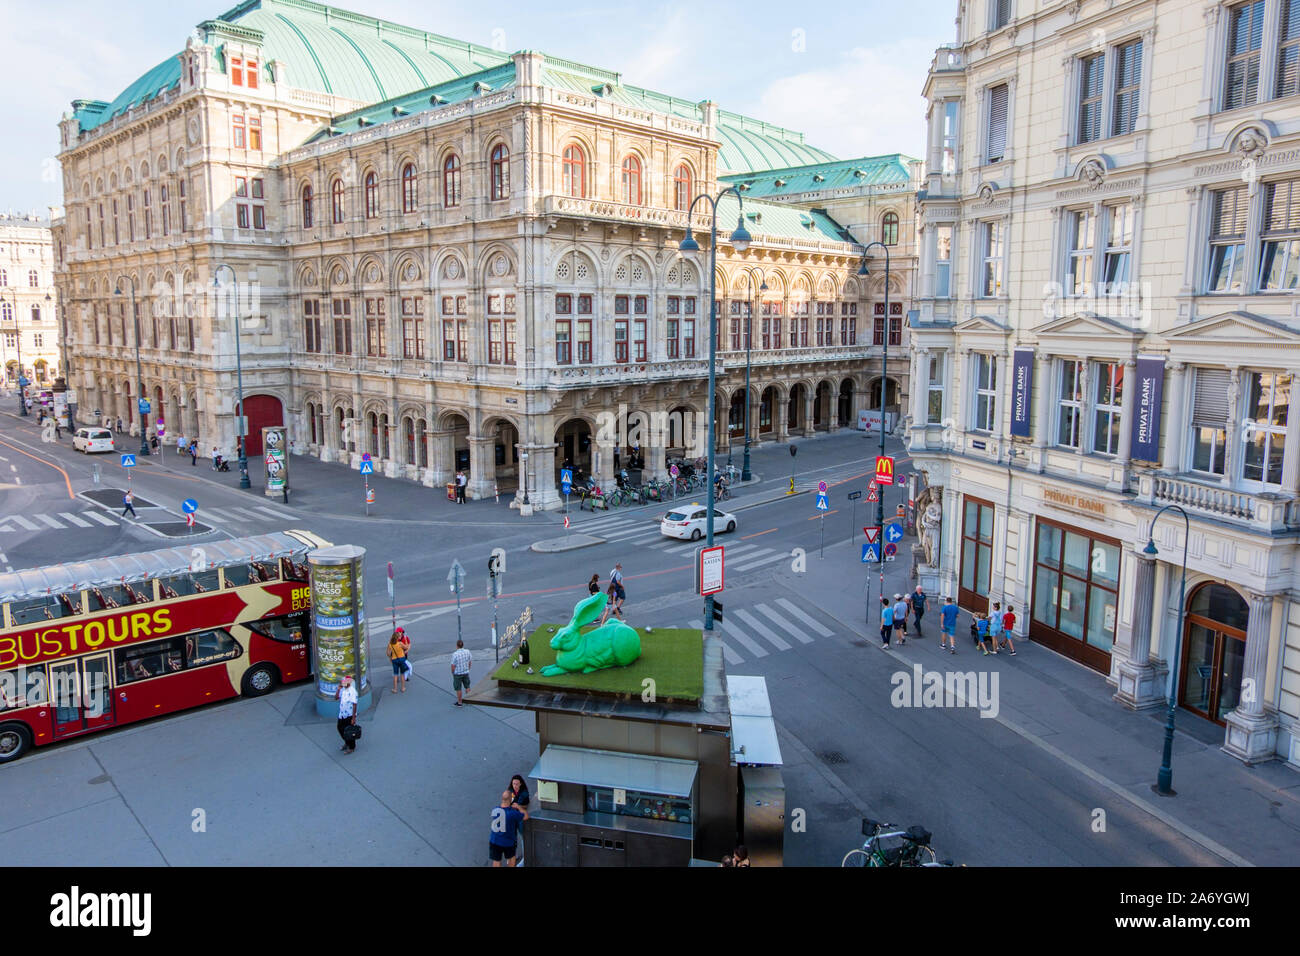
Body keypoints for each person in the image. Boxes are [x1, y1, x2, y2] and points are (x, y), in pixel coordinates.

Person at [489, 789, 528, 867]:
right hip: (508, 842)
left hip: (494, 840)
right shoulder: (513, 813)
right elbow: (526, 816)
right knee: (511, 859)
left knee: (496, 861)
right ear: (510, 800)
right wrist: (518, 807)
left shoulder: (495, 810)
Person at [336, 675, 358, 754]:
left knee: (349, 731)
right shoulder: (342, 689)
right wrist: (338, 690)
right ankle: (346, 742)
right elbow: (336, 698)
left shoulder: (352, 691)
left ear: (349, 683)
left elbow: (355, 704)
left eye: (345, 682)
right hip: (341, 714)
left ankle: (352, 747)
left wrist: (353, 718)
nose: (343, 683)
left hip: (349, 715)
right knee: (340, 728)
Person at [451, 639, 472, 706]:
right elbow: (470, 661)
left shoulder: (455, 654)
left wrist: (453, 673)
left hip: (458, 674)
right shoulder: (467, 652)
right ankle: (469, 700)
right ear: (463, 645)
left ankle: (460, 702)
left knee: (458, 688)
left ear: (457, 646)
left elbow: (453, 666)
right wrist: (468, 669)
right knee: (467, 686)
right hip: (466, 672)